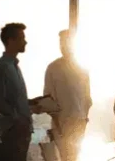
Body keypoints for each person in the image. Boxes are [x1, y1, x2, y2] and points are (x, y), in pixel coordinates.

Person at [43, 30, 91, 161]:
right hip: (61, 126)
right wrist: (58, 126)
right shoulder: (53, 68)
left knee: (74, 158)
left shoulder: (83, 69)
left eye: (66, 42)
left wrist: (84, 121)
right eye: (61, 43)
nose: (63, 46)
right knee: (65, 158)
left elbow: (88, 100)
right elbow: (48, 100)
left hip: (78, 124)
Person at [0, 23, 34, 161]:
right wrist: (18, 119)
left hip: (20, 130)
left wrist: (31, 104)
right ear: (11, 41)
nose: (25, 41)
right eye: (22, 38)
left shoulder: (13, 67)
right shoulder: (2, 67)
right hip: (13, 131)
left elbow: (14, 100)